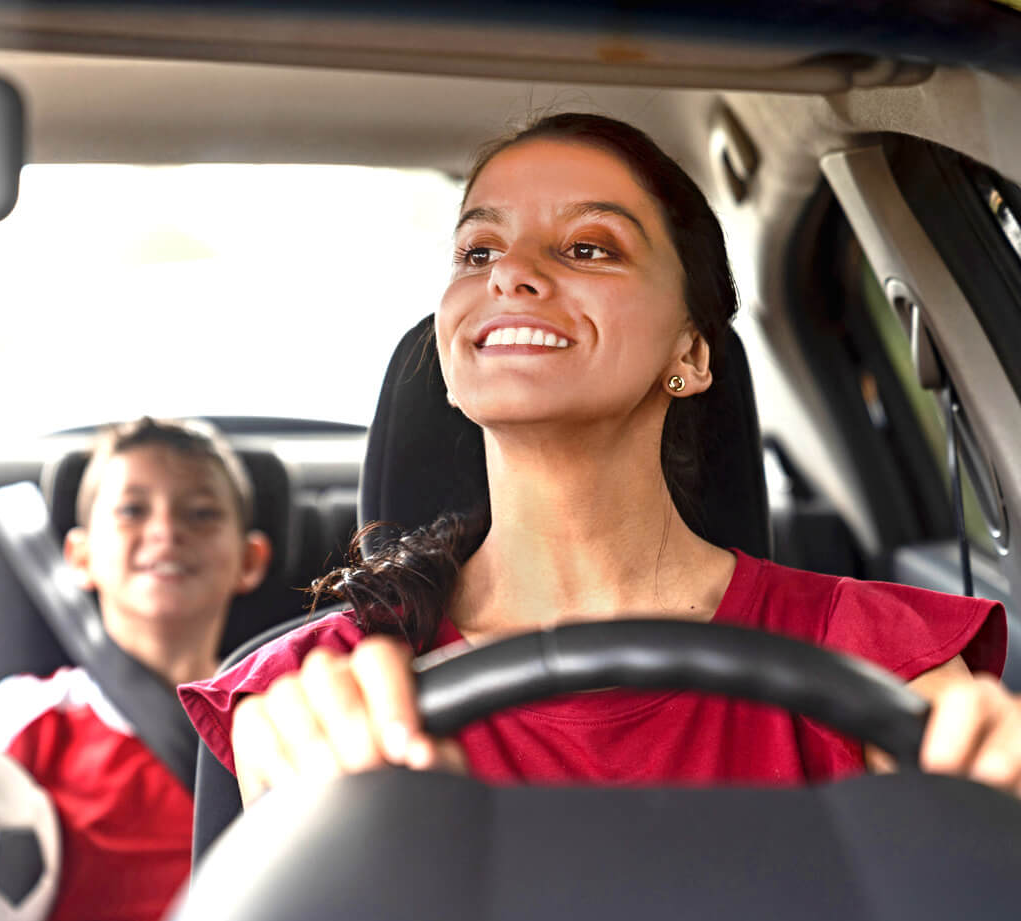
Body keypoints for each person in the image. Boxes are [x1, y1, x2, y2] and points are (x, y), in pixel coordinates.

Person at [177, 113, 1014, 807]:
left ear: (689, 349)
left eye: (588, 247)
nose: (511, 274)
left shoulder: (871, 658)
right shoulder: (323, 693)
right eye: (478, 252)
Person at [0, 417, 272, 921]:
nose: (166, 531)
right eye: (132, 510)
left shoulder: (277, 711)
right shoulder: (24, 716)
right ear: (79, 558)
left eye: (201, 513)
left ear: (250, 560)